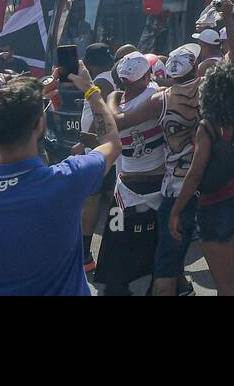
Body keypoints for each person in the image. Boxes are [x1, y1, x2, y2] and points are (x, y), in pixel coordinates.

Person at [0, 66, 122, 295]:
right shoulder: (68, 180)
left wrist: (11, 119)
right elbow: (111, 142)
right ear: (40, 125)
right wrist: (90, 90)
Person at [108, 43, 200, 296]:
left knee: (121, 241)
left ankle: (125, 287)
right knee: (164, 245)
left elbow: (111, 125)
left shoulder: (150, 99)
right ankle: (180, 284)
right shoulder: (158, 94)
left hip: (131, 186)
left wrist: (109, 97)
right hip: (159, 184)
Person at [170, 61, 234, 296]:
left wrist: (176, 210)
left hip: (214, 205)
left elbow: (195, 174)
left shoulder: (207, 128)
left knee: (225, 282)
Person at [96, 50, 164, 295]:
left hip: (150, 185)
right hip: (127, 186)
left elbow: (116, 122)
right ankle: (119, 286)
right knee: (120, 238)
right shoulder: (149, 93)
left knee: (142, 240)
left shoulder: (154, 96)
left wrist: (111, 98)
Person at [73, 42, 117, 272]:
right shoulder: (108, 77)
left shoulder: (100, 82)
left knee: (93, 201)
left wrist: (83, 144)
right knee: (110, 199)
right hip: (103, 148)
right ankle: (111, 249)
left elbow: (101, 113)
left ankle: (86, 254)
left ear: (90, 64)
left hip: (98, 149)